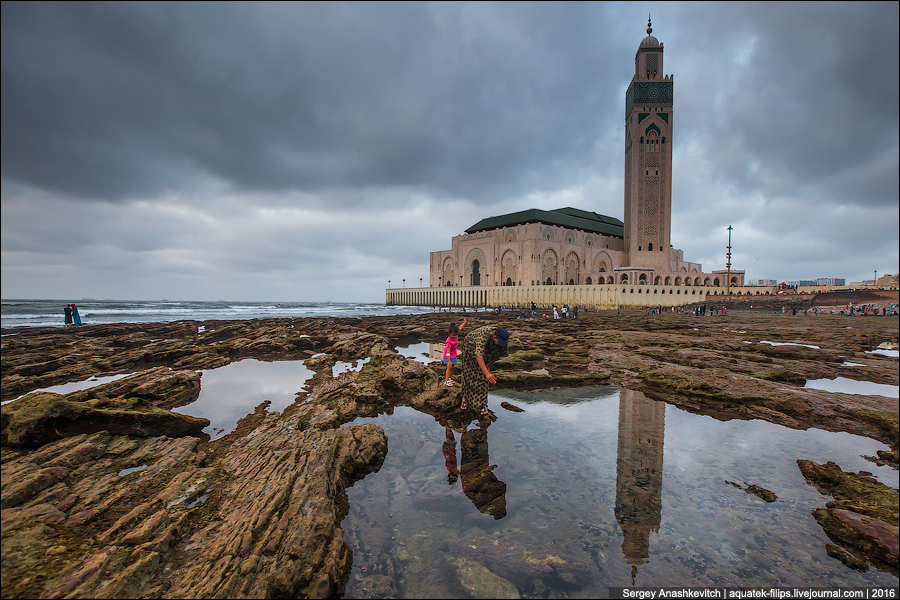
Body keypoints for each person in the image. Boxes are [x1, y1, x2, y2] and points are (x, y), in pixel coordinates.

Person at [459, 326, 509, 419]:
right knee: (468, 373)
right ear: (495, 337)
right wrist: (487, 374)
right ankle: (464, 398)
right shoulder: (484, 334)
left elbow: (499, 354)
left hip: (487, 350)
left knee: (483, 377)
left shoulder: (502, 338)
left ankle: (482, 404)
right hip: (470, 347)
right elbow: (479, 356)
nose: (501, 344)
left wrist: (488, 366)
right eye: (500, 342)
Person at [459, 425, 507, 519]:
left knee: (471, 452)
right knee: (477, 451)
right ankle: (476, 432)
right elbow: (501, 485)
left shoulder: (485, 505)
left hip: (474, 469)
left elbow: (469, 488)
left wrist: (485, 472)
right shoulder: (496, 498)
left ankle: (471, 433)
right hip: (478, 468)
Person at [442, 317, 466, 386]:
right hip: (448, 356)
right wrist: (449, 361)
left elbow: (460, 327)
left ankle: (449, 378)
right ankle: (446, 381)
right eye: (453, 335)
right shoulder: (449, 341)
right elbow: (447, 352)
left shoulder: (456, 335)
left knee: (453, 367)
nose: (455, 336)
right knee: (449, 367)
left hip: (453, 354)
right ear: (449, 334)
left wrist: (464, 322)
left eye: (456, 335)